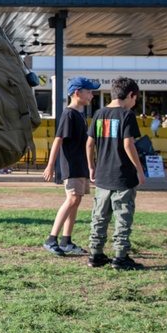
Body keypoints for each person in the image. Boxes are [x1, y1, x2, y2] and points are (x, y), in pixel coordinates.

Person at [86, 77, 146, 270]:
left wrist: (92, 166)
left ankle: (95, 254)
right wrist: (139, 169)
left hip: (103, 176)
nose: (134, 104)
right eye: (135, 99)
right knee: (123, 217)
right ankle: (120, 257)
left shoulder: (99, 113)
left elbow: (89, 143)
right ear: (130, 95)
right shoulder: (127, 116)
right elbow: (128, 144)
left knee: (99, 216)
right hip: (123, 177)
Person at [41, 76, 98, 256]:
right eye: (88, 92)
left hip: (80, 164)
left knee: (77, 199)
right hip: (71, 165)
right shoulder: (69, 114)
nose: (91, 96)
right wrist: (51, 165)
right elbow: (58, 140)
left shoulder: (81, 114)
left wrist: (90, 165)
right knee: (72, 199)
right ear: (77, 93)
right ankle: (51, 239)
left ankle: (66, 240)